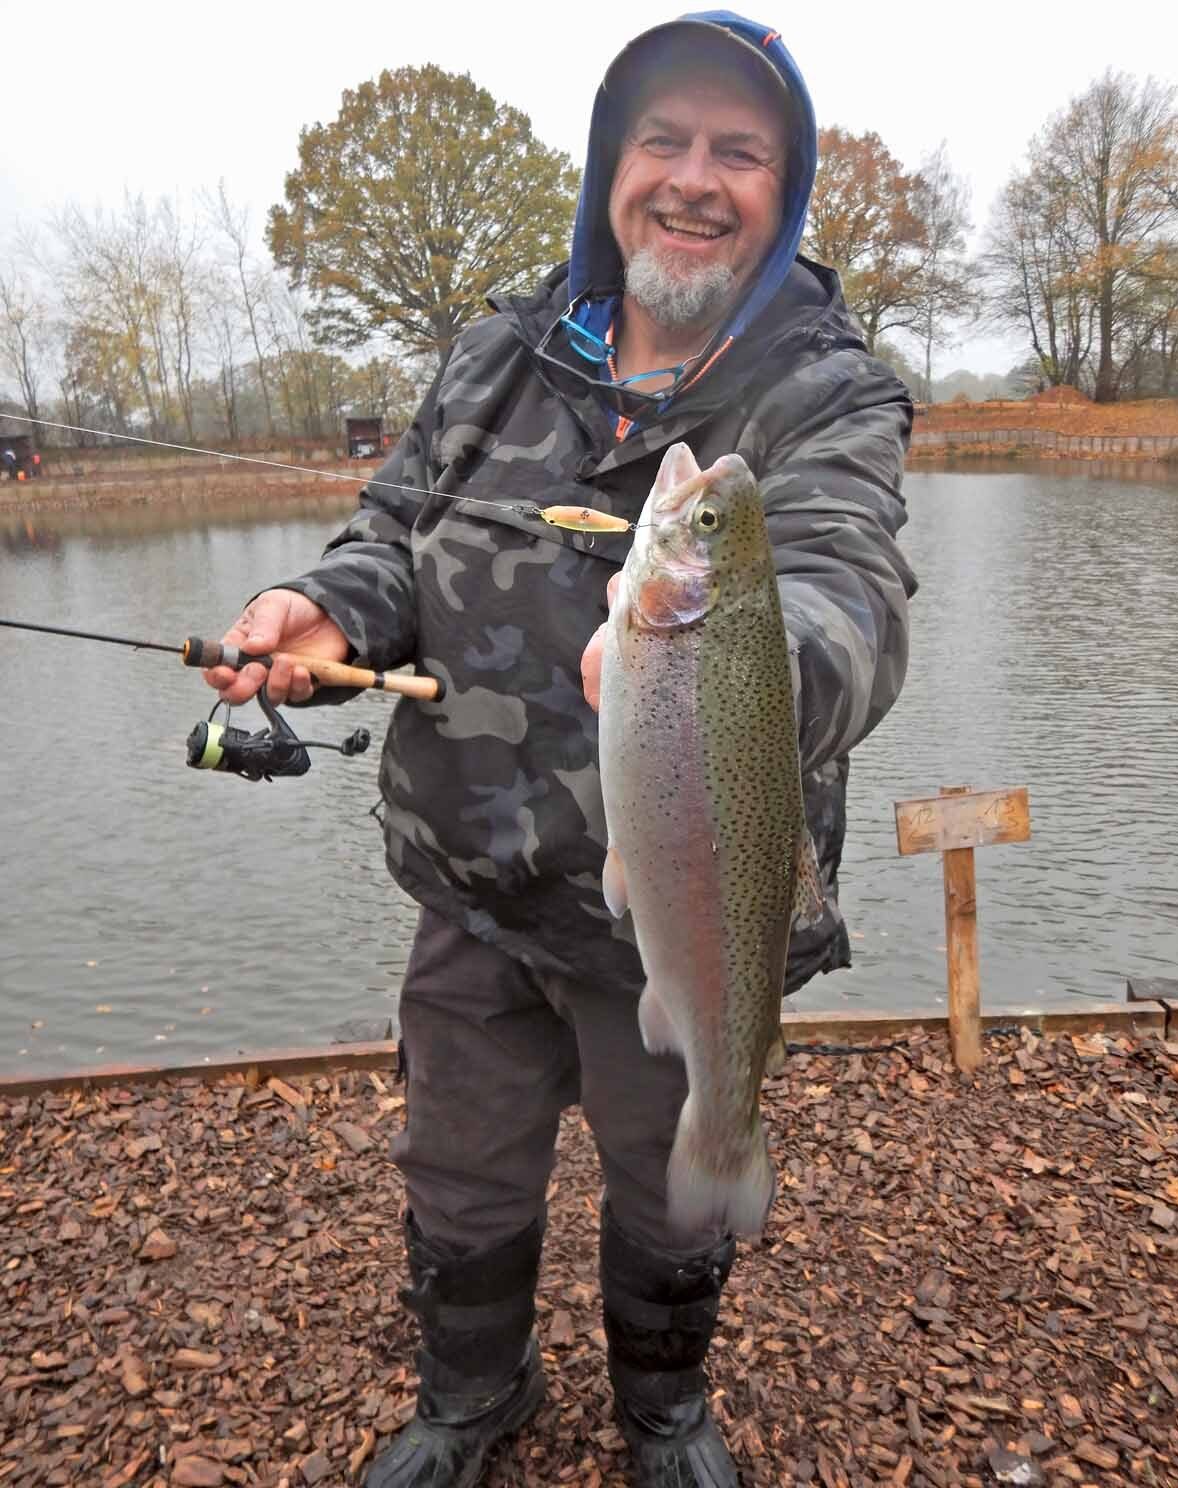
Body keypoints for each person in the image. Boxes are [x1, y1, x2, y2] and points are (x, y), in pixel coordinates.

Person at [205, 13, 916, 1487]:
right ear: (611, 168)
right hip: (473, 877)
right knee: (458, 1176)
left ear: (784, 191)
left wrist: (731, 659)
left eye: (740, 151)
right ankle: (474, 1397)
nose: (694, 178)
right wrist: (315, 610)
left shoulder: (825, 391)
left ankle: (663, 1411)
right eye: (663, 141)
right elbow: (390, 537)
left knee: (675, 1195)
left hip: (695, 898)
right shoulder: (494, 354)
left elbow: (854, 593)